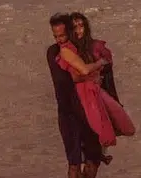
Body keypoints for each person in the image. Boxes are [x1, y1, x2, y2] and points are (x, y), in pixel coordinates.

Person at [46, 14, 103, 178]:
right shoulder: (54, 53)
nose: (59, 39)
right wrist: (95, 69)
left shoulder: (83, 50)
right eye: (56, 35)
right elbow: (70, 78)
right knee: (73, 161)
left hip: (90, 110)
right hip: (68, 113)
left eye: (62, 35)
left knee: (94, 159)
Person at [58, 12, 135, 154]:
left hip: (98, 91)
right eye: (74, 27)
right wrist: (97, 66)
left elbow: (107, 68)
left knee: (126, 127)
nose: (79, 30)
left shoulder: (95, 46)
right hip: (83, 95)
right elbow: (76, 76)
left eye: (81, 26)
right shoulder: (68, 50)